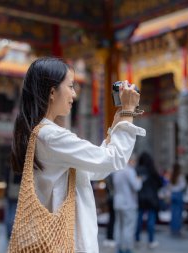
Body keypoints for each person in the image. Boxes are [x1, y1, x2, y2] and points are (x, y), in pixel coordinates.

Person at [10, 57, 145, 253]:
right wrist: (128, 113)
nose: (74, 94)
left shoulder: (42, 133)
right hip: (68, 243)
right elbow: (113, 159)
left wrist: (117, 125)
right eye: (71, 86)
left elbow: (94, 170)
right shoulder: (51, 135)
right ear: (52, 92)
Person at [112, 155, 142, 253]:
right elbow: (136, 186)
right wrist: (139, 179)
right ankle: (127, 248)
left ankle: (118, 248)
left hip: (118, 201)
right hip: (129, 202)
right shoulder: (130, 170)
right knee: (128, 226)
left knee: (118, 226)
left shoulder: (116, 170)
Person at [135, 152, 163, 249]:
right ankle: (151, 240)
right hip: (152, 198)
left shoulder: (137, 170)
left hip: (140, 198)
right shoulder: (152, 170)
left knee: (138, 219)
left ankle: (137, 239)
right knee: (151, 220)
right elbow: (161, 183)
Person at [169, 163, 186, 236]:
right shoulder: (180, 176)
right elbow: (183, 185)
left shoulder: (172, 175)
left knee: (173, 212)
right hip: (178, 194)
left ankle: (173, 228)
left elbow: (169, 186)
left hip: (173, 194)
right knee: (178, 213)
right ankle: (178, 229)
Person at [102, 174, 116, 248]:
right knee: (113, 219)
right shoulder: (114, 175)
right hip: (113, 199)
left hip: (110, 198)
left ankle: (109, 237)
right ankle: (111, 237)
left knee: (111, 218)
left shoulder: (108, 175)